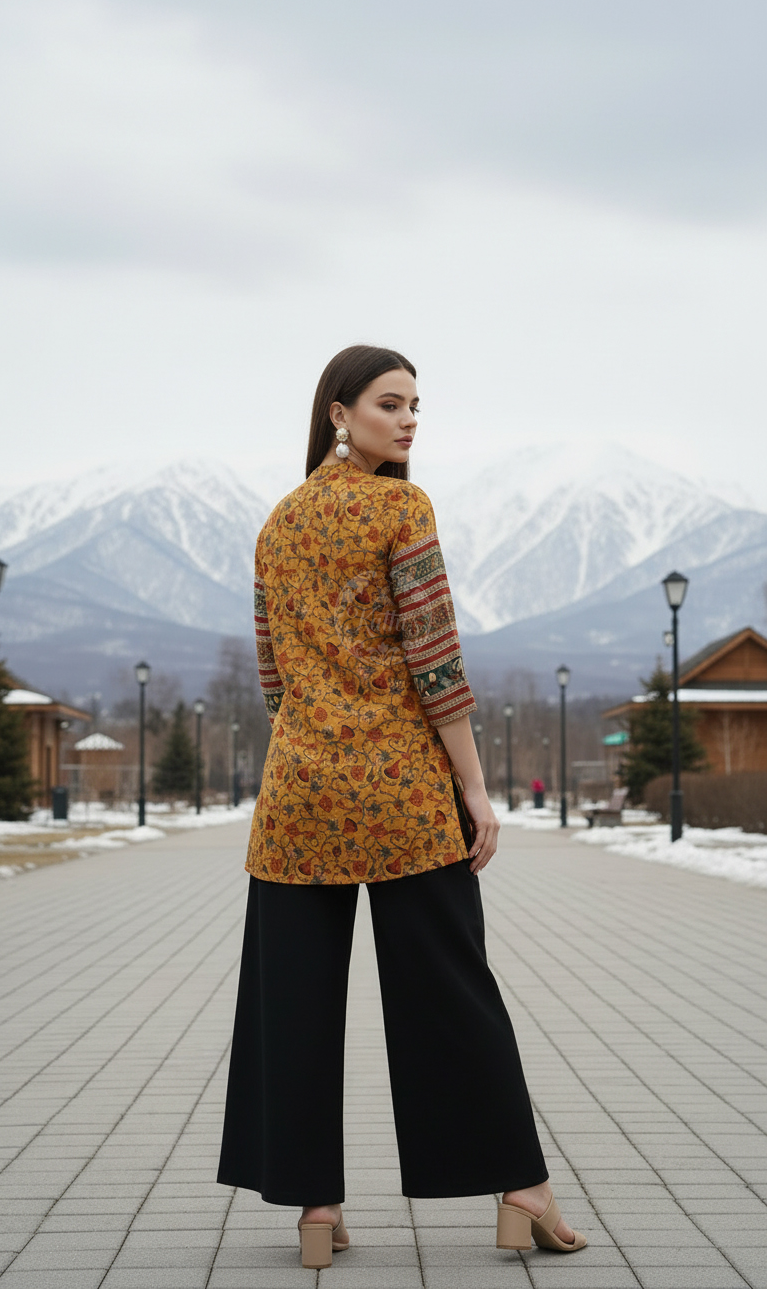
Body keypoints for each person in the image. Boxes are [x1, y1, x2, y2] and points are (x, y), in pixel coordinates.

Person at [217, 345, 586, 1268]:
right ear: (339, 412)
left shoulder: (277, 522)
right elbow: (435, 660)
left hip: (298, 799)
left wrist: (318, 736)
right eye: (391, 403)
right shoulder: (401, 506)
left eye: (417, 404)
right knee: (453, 994)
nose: (410, 419)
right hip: (404, 799)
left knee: (293, 1005)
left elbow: (272, 676)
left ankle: (313, 1208)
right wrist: (472, 786)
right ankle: (520, 1189)